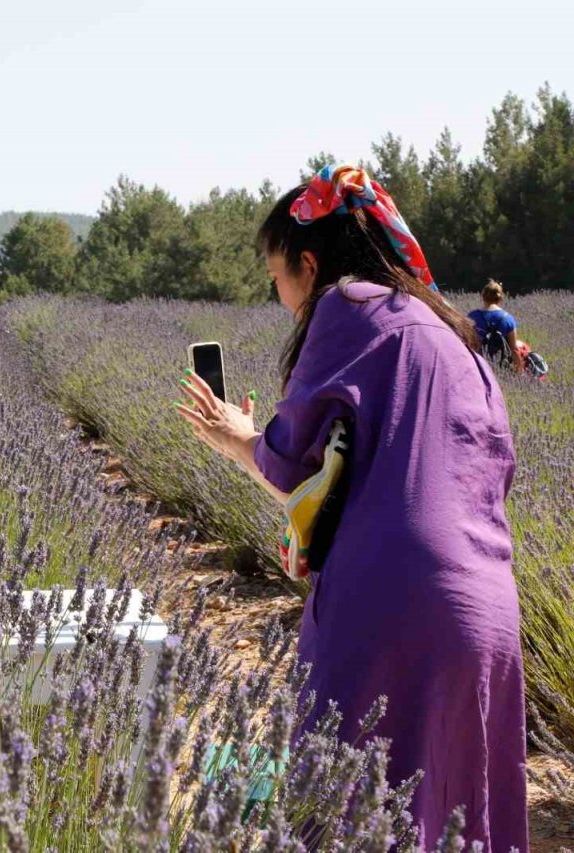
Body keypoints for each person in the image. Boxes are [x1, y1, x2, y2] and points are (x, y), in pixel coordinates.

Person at [175, 165, 527, 850]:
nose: (279, 296)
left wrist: (233, 437)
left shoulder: (347, 305)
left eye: (276, 277)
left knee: (341, 801)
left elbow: (287, 461)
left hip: (391, 604)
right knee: (459, 806)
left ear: (310, 264)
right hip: (488, 610)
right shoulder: (451, 333)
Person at [468, 280, 525, 372]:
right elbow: (514, 349)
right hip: (502, 365)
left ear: (483, 297)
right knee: (523, 346)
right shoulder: (508, 319)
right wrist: (519, 371)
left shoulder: (472, 316)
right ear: (500, 298)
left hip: (478, 365)